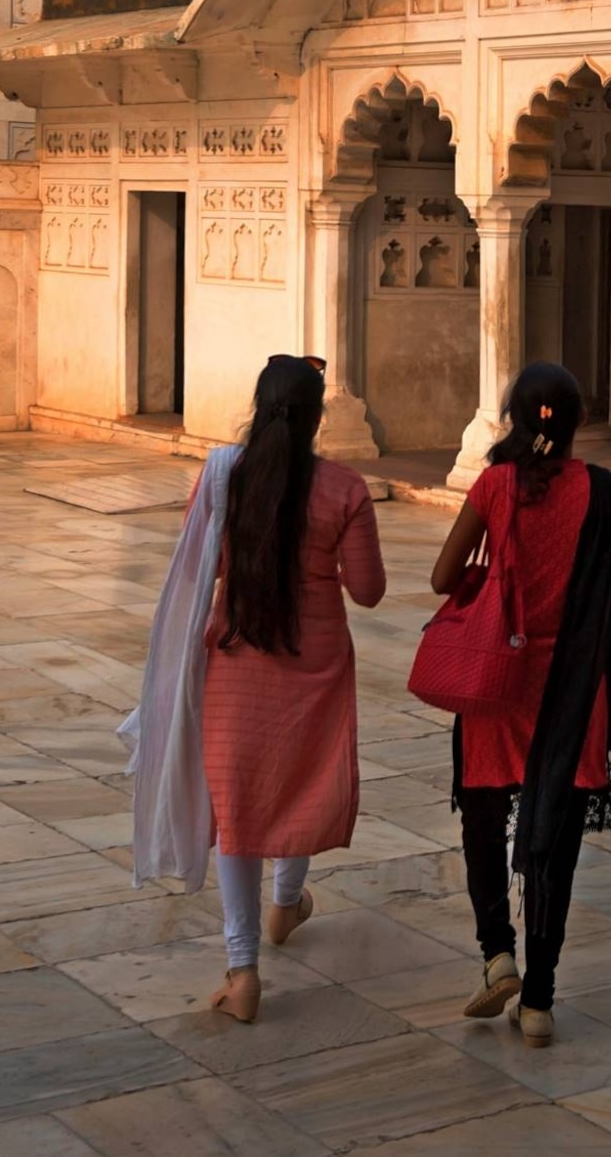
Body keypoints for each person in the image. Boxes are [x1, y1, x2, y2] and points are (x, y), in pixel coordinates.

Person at [121, 354, 385, 1024]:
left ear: (258, 406)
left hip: (239, 656)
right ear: (318, 416)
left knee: (237, 805)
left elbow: (197, 567)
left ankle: (243, 971)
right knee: (300, 775)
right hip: (315, 656)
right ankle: (285, 903)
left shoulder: (223, 477)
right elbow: (369, 589)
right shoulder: (344, 487)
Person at [428, 362, 611, 1047]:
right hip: (573, 684)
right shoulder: (609, 493)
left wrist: (500, 574)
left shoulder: (497, 484)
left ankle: (497, 952)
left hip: (500, 673)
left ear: (515, 419)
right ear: (578, 421)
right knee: (556, 835)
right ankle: (540, 1000)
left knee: (481, 805)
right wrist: (587, 584)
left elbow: (443, 575)